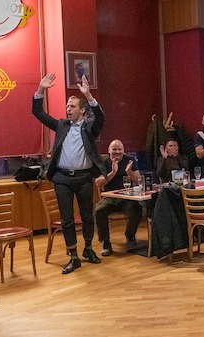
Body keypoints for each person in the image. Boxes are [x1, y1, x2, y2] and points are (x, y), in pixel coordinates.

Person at [32, 73, 106, 274]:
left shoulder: (90, 128)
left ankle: (88, 248)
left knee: (87, 216)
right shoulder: (61, 125)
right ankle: (73, 256)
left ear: (82, 110)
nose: (68, 109)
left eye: (72, 106)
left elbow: (100, 117)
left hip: (84, 178)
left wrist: (88, 95)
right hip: (62, 178)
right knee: (67, 219)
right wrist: (41, 89)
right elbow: (38, 112)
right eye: (67, 106)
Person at [95, 139, 142, 256]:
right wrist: (112, 172)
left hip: (127, 197)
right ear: (109, 150)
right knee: (99, 210)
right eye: (114, 149)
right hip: (110, 197)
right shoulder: (103, 162)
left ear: (123, 151)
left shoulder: (129, 160)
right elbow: (98, 183)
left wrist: (129, 172)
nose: (117, 152)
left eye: (119, 149)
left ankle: (130, 235)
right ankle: (106, 243)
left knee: (137, 209)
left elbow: (139, 180)